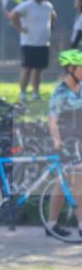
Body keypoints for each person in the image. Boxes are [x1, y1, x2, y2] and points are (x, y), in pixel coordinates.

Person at [46, 49, 82, 238]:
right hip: (67, 144)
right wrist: (58, 145)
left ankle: (51, 224)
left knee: (62, 184)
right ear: (71, 68)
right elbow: (52, 121)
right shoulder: (60, 93)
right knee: (78, 182)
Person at [10, 0, 56, 101]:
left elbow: (53, 15)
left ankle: (35, 92)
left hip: (43, 43)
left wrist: (50, 27)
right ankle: (23, 93)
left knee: (38, 69)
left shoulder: (48, 6)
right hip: (29, 42)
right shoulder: (26, 5)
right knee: (27, 69)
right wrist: (20, 28)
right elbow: (13, 15)